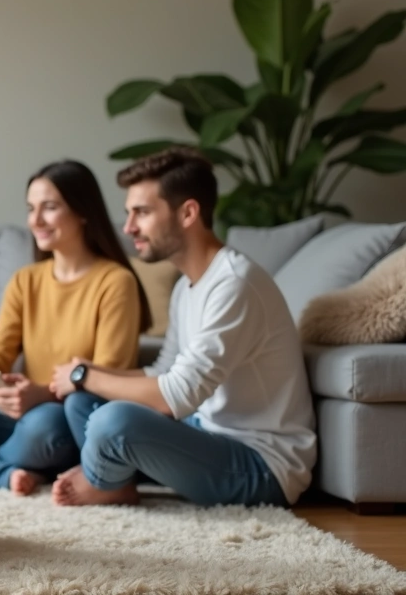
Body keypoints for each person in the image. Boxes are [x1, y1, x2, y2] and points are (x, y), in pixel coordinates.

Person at [48, 148, 317, 508]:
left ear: (188, 212)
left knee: (111, 419)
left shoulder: (234, 284)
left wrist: (83, 374)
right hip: (203, 433)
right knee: (83, 402)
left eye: (141, 213)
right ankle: (114, 481)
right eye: (129, 214)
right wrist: (91, 375)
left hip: (262, 465)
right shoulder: (186, 285)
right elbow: (163, 371)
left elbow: (174, 396)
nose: (128, 228)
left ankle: (107, 480)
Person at [0, 160, 151, 495]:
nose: (35, 221)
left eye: (49, 208)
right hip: (20, 420)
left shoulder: (115, 282)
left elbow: (110, 375)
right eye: (31, 208)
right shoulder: (27, 280)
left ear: (83, 212)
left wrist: (41, 394)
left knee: (45, 425)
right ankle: (5, 473)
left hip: (64, 420)